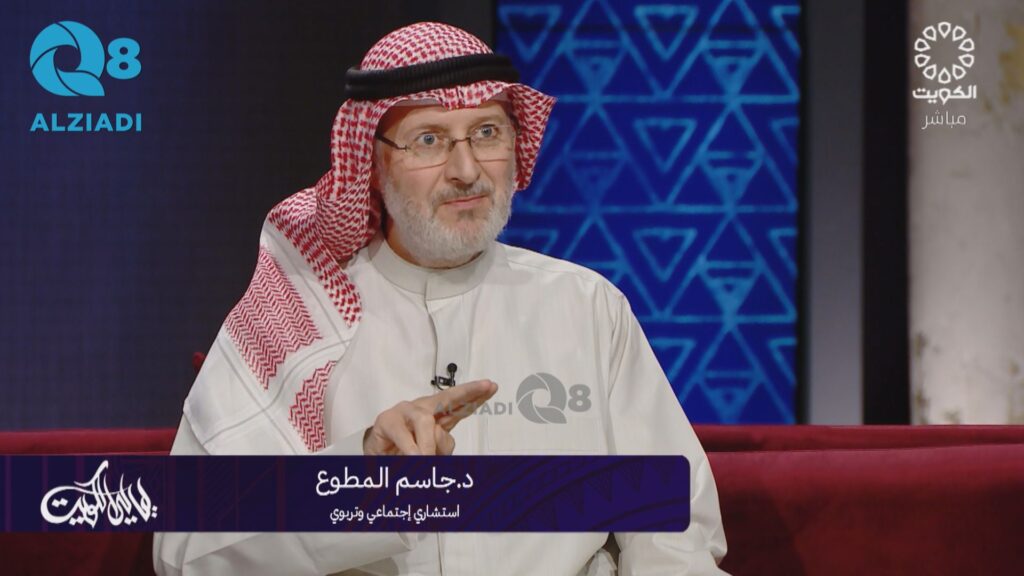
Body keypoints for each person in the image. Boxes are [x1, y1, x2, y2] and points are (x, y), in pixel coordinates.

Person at [154, 21, 728, 576]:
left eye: (487, 133)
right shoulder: (293, 316)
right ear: (371, 163)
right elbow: (187, 549)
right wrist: (359, 477)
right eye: (428, 140)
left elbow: (673, 530)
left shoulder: (587, 306)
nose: (466, 170)